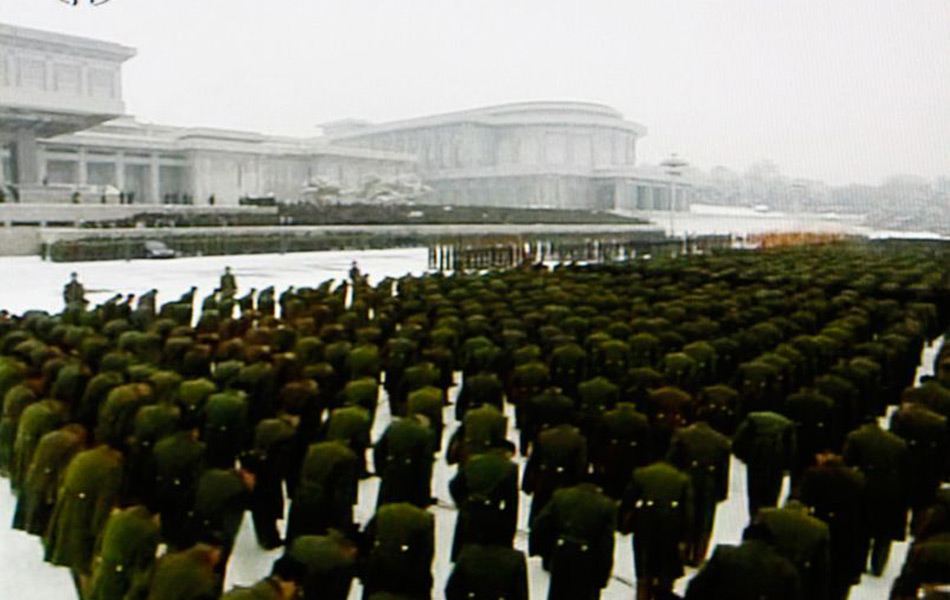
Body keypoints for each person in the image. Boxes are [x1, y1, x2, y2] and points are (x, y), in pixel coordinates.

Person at [530, 482, 617, 600]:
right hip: (588, 561)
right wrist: (603, 576)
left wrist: (544, 550)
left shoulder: (560, 496)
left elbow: (541, 524)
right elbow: (606, 545)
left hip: (562, 553)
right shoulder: (606, 506)